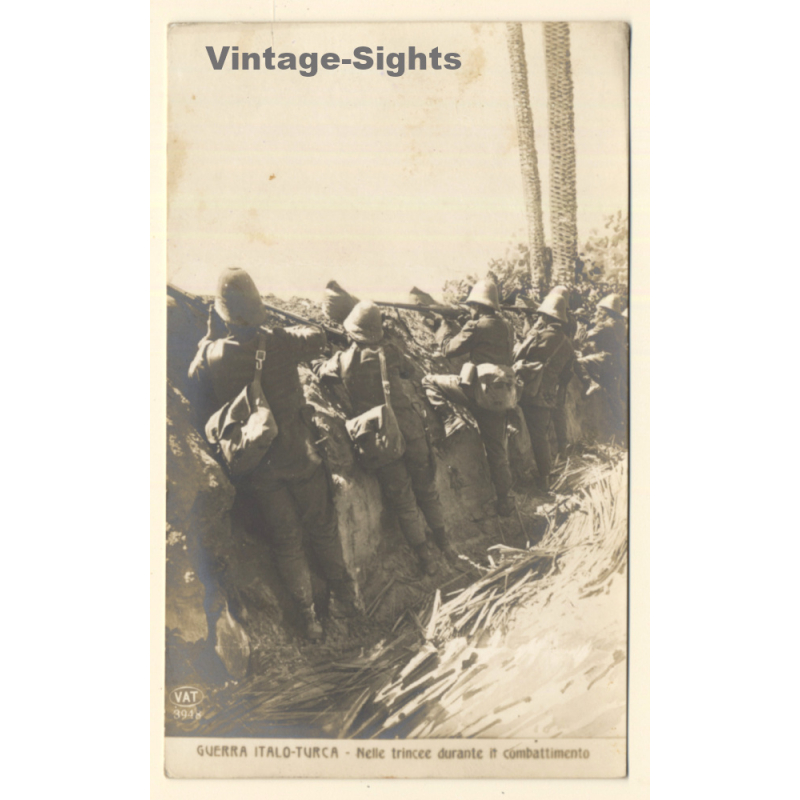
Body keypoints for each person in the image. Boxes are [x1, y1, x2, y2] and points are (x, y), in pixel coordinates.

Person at [187, 267, 362, 642]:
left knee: (287, 542)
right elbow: (317, 337)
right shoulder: (281, 342)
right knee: (323, 528)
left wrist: (210, 336)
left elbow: (193, 372)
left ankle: (310, 619)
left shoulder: (213, 356)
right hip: (302, 457)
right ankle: (349, 602)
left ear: (225, 316)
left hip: (261, 470)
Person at [314, 301, 456, 573]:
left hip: (381, 440)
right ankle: (445, 544)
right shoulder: (391, 352)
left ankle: (427, 559)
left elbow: (322, 372)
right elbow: (410, 371)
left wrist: (325, 355)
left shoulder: (344, 361)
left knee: (404, 501)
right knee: (427, 492)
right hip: (411, 431)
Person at [422, 279, 517, 517]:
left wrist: (442, 326)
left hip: (477, 393)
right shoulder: (506, 326)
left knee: (429, 381)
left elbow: (448, 350)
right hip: (500, 396)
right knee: (497, 451)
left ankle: (449, 418)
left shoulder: (476, 327)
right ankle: (506, 501)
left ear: (477, 305)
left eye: (472, 306)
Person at [513, 292, 575, 492]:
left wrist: (531, 332)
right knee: (542, 435)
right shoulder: (567, 343)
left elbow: (516, 355)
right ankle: (544, 476)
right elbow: (567, 374)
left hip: (530, 393)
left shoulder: (539, 335)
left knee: (536, 436)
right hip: (549, 395)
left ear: (546, 317)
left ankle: (542, 481)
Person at [577, 293, 627, 427]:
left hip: (606, 358)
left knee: (578, 362)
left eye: (600, 312)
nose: (597, 314)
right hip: (618, 361)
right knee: (613, 394)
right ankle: (620, 425)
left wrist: (582, 324)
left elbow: (583, 338)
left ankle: (591, 383)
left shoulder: (605, 325)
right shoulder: (620, 323)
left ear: (606, 312)